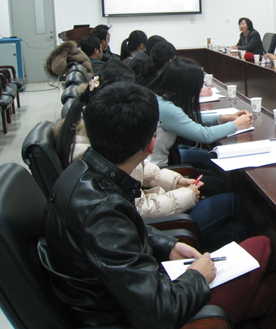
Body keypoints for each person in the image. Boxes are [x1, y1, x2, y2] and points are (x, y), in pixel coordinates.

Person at [38, 81, 276, 329]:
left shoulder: (82, 172)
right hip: (133, 317)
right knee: (263, 246)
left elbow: (126, 229)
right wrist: (197, 276)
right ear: (151, 144)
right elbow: (160, 311)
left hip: (121, 297)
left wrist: (167, 245)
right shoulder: (102, 211)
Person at [54, 59, 247, 250]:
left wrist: (175, 181)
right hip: (151, 229)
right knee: (231, 203)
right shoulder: (104, 147)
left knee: (223, 197)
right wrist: (187, 194)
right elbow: (137, 210)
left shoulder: (96, 131)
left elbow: (139, 170)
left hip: (148, 210)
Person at [151, 57, 253, 169]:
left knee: (208, 155)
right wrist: (236, 125)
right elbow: (205, 135)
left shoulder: (158, 98)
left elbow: (186, 119)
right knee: (215, 164)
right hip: (157, 169)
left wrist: (225, 118)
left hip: (165, 159)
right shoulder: (167, 109)